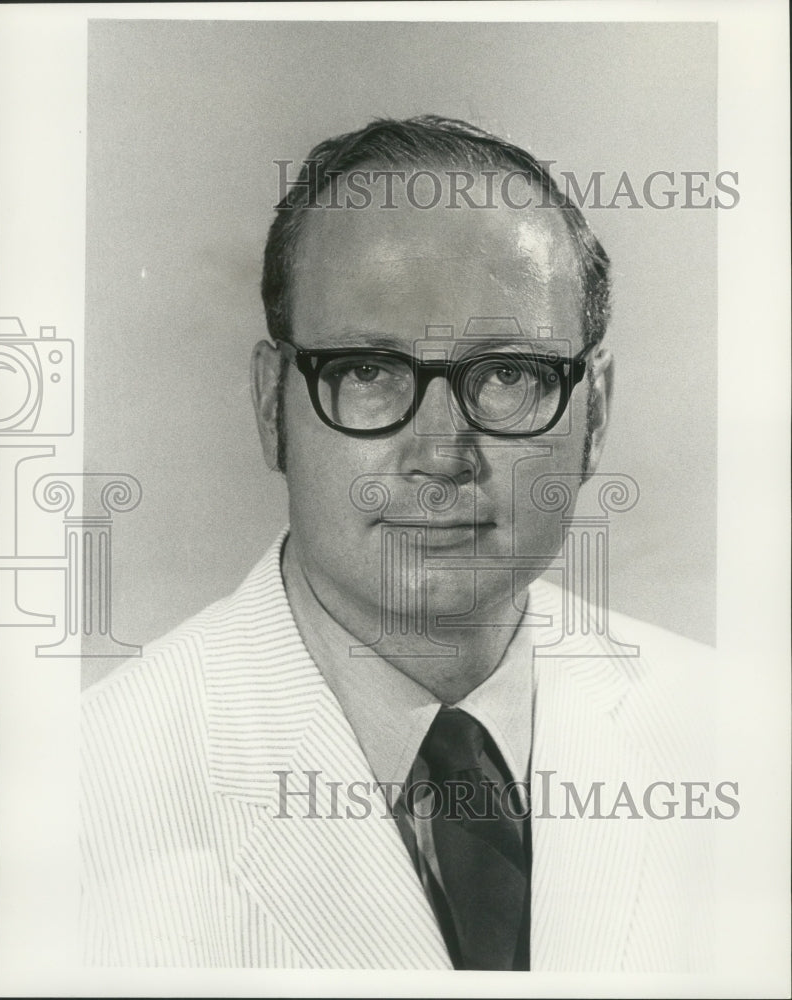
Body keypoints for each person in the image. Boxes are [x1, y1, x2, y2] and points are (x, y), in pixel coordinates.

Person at [81, 116, 716, 971]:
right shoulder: (78, 796)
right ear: (273, 406)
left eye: (509, 376)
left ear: (594, 412)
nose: (441, 455)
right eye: (369, 372)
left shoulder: (740, 737)